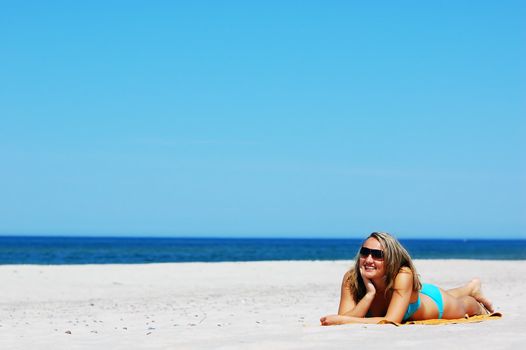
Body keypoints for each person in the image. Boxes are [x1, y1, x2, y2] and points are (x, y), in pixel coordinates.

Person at [320, 232, 494, 325]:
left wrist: (342, 319)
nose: (369, 259)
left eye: (377, 254)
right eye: (365, 253)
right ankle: (470, 287)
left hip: (436, 304)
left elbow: (390, 321)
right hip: (410, 294)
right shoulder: (352, 278)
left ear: (391, 259)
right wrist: (368, 295)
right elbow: (345, 318)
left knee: (464, 305)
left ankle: (472, 294)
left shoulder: (403, 275)